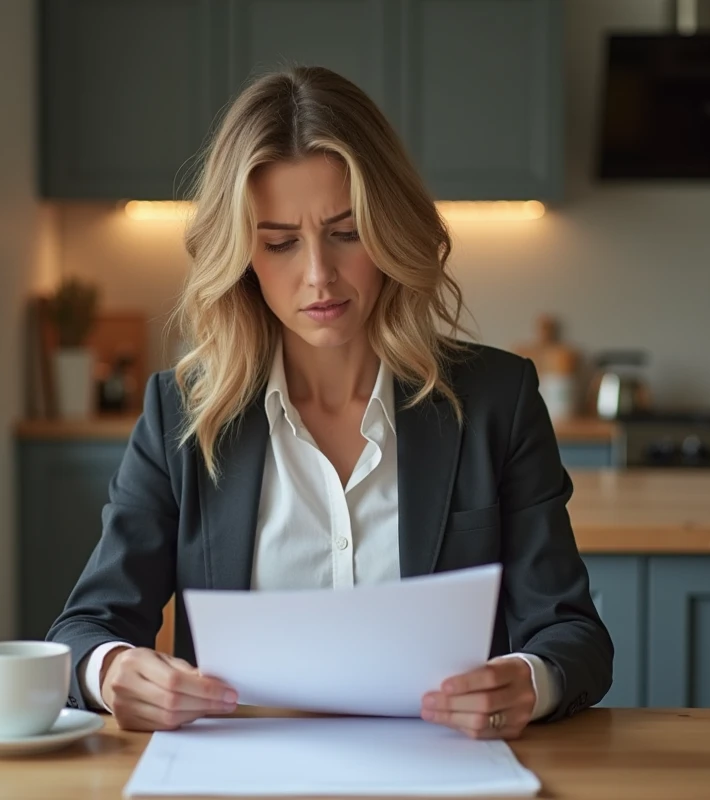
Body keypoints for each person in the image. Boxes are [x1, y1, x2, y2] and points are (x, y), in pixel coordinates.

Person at [46, 65, 613, 740]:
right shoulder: (181, 413)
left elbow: (575, 637)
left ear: (391, 227)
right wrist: (111, 672)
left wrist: (527, 680)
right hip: (238, 777)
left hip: (441, 775)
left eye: (346, 232)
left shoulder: (497, 400)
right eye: (281, 242)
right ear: (242, 255)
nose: (318, 275)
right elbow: (87, 628)